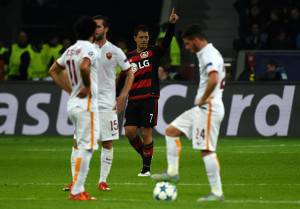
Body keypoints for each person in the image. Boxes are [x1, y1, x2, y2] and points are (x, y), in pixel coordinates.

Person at [152, 24, 226, 202]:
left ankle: (217, 193)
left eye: (187, 43)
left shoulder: (208, 53)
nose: (186, 47)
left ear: (196, 40)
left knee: (206, 150)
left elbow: (214, 78)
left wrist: (204, 98)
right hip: (201, 109)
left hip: (209, 108)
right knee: (171, 131)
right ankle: (172, 172)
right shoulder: (207, 53)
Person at [117, 8, 179, 176]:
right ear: (135, 38)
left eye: (146, 37)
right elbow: (121, 80)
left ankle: (146, 168)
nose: (144, 40)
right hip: (133, 98)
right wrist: (117, 96)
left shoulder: (153, 52)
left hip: (149, 98)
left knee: (146, 132)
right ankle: (146, 156)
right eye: (141, 37)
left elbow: (165, 43)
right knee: (129, 132)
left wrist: (171, 25)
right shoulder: (128, 58)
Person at [49, 16, 99, 201]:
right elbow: (85, 67)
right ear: (93, 32)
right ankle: (77, 191)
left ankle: (77, 188)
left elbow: (53, 70)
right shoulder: (90, 48)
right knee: (88, 147)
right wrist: (85, 86)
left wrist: (70, 90)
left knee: (80, 145)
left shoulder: (70, 50)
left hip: (73, 104)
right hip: (86, 104)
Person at [93, 15, 134, 191]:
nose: (95, 29)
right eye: (93, 27)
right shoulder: (86, 49)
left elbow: (130, 72)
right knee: (79, 142)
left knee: (107, 142)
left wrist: (123, 95)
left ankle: (102, 180)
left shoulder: (115, 51)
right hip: (87, 102)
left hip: (107, 103)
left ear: (106, 29)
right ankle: (75, 181)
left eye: (99, 27)